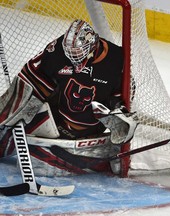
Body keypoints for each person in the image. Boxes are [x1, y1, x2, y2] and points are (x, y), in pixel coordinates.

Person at [0, 19, 137, 176]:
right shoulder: (56, 50)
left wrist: (116, 109)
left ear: (93, 46)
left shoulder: (116, 59)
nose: (73, 60)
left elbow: (126, 90)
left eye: (77, 55)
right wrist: (14, 111)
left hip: (91, 128)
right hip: (57, 119)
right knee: (11, 129)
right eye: (70, 55)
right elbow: (32, 78)